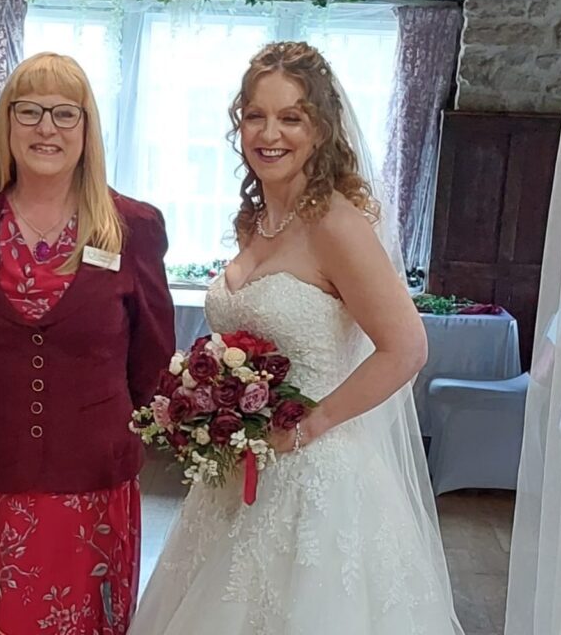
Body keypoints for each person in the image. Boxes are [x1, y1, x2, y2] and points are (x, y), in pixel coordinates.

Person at [131, 41, 464, 635]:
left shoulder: (337, 224)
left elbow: (407, 348)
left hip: (318, 476)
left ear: (321, 129)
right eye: (256, 115)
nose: (270, 133)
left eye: (291, 117)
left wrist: (312, 424)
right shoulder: (254, 220)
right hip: (241, 470)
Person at [0, 51, 175, 635]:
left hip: (93, 474)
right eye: (30, 111)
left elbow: (152, 351)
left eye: (66, 114)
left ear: (88, 128)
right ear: (6, 124)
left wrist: (96, 410)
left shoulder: (132, 225)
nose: (47, 128)